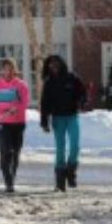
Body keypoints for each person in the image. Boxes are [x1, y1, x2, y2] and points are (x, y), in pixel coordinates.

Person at [40, 55, 87, 192]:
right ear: (48, 67)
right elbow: (45, 104)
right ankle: (60, 181)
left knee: (75, 146)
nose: (54, 67)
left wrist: (81, 102)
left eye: (56, 64)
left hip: (72, 116)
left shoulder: (72, 78)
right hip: (57, 118)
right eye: (51, 65)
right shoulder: (48, 83)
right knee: (60, 149)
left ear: (61, 64)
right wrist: (44, 121)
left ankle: (71, 171)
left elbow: (82, 92)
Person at [0, 58, 30, 193]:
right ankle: (8, 182)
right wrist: (8, 106)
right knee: (6, 151)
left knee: (15, 153)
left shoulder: (21, 85)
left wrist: (7, 106)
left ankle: (12, 177)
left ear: (15, 69)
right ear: (1, 70)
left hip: (18, 123)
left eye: (10, 68)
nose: (8, 71)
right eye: (5, 68)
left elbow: (23, 104)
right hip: (1, 122)